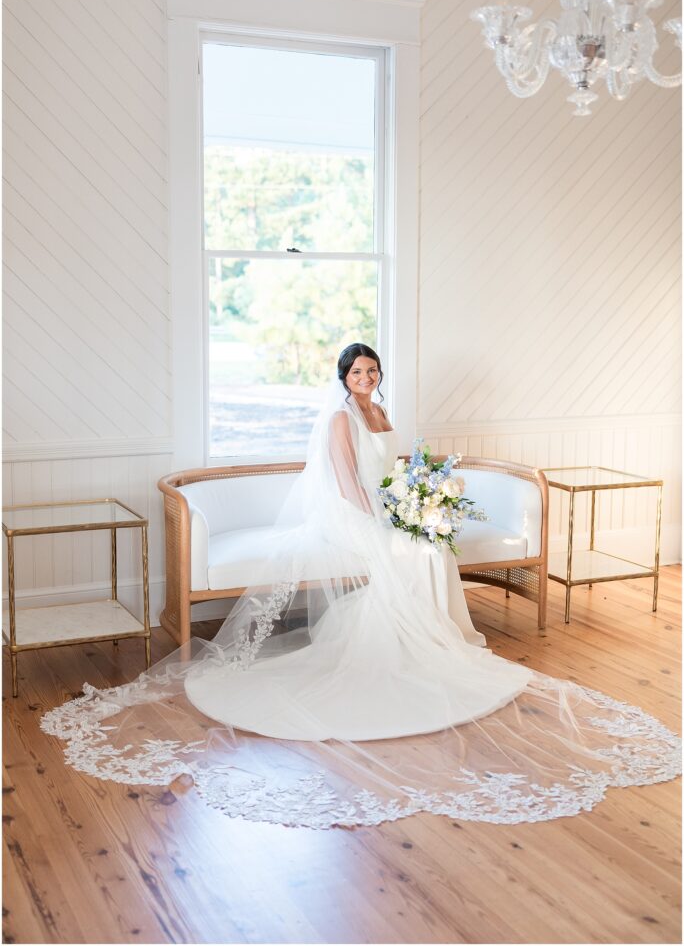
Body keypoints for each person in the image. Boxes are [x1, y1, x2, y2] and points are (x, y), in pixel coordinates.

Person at [42, 344, 680, 828]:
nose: (367, 381)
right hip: (352, 515)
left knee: (431, 549)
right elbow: (349, 481)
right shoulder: (341, 420)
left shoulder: (381, 410)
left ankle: (438, 633)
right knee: (411, 554)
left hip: (387, 506)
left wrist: (413, 503)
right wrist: (381, 522)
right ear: (343, 380)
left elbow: (395, 466)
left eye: (373, 372)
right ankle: (411, 637)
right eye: (358, 374)